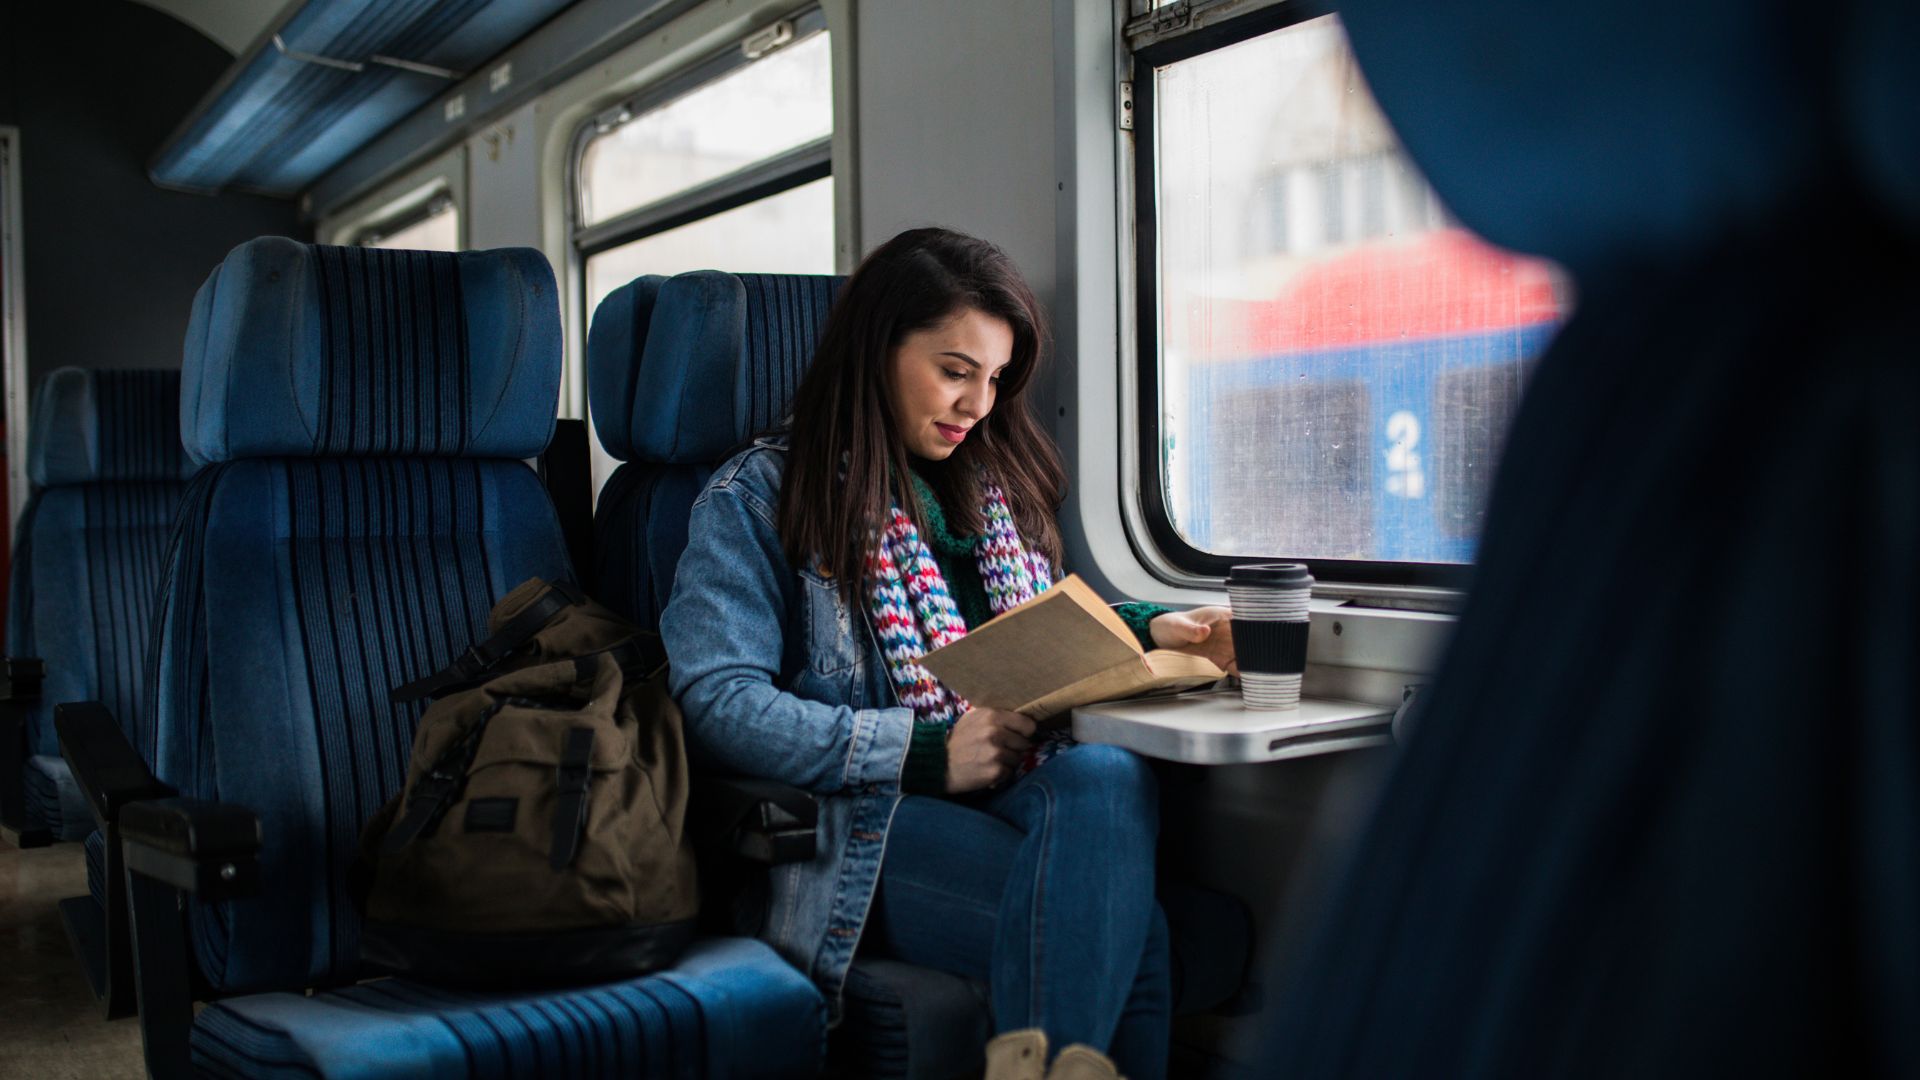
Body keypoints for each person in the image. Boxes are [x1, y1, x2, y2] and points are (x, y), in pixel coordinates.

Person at [660, 227, 1236, 1080]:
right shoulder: (756, 497)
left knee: (1109, 775)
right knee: (1136, 936)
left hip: (1011, 788)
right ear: (875, 352)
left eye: (996, 380)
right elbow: (716, 703)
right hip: (862, 818)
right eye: (956, 371)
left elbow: (1037, 625)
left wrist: (1152, 623)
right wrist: (922, 752)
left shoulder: (992, 491)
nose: (978, 406)